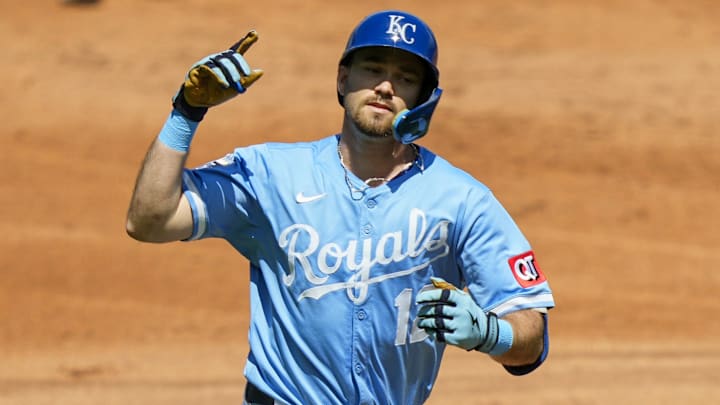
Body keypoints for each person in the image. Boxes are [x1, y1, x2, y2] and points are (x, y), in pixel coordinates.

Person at [126, 9, 555, 405]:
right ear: (342, 80)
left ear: (424, 98)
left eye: (404, 78)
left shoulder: (462, 200)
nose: (385, 87)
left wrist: (489, 333)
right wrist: (186, 112)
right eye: (372, 70)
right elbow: (150, 220)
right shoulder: (272, 175)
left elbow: (530, 339)